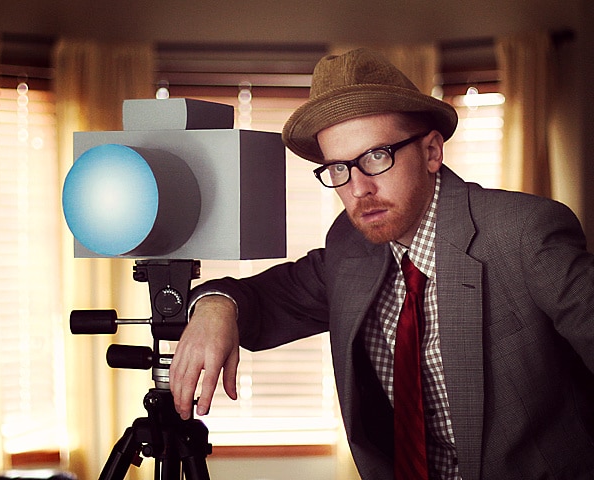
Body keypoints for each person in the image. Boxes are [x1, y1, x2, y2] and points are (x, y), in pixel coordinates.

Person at [169, 48, 594, 479]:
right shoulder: (350, 245)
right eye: (338, 167)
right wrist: (215, 306)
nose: (358, 189)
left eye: (376, 156)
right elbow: (266, 298)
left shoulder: (524, 232)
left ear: (431, 152)